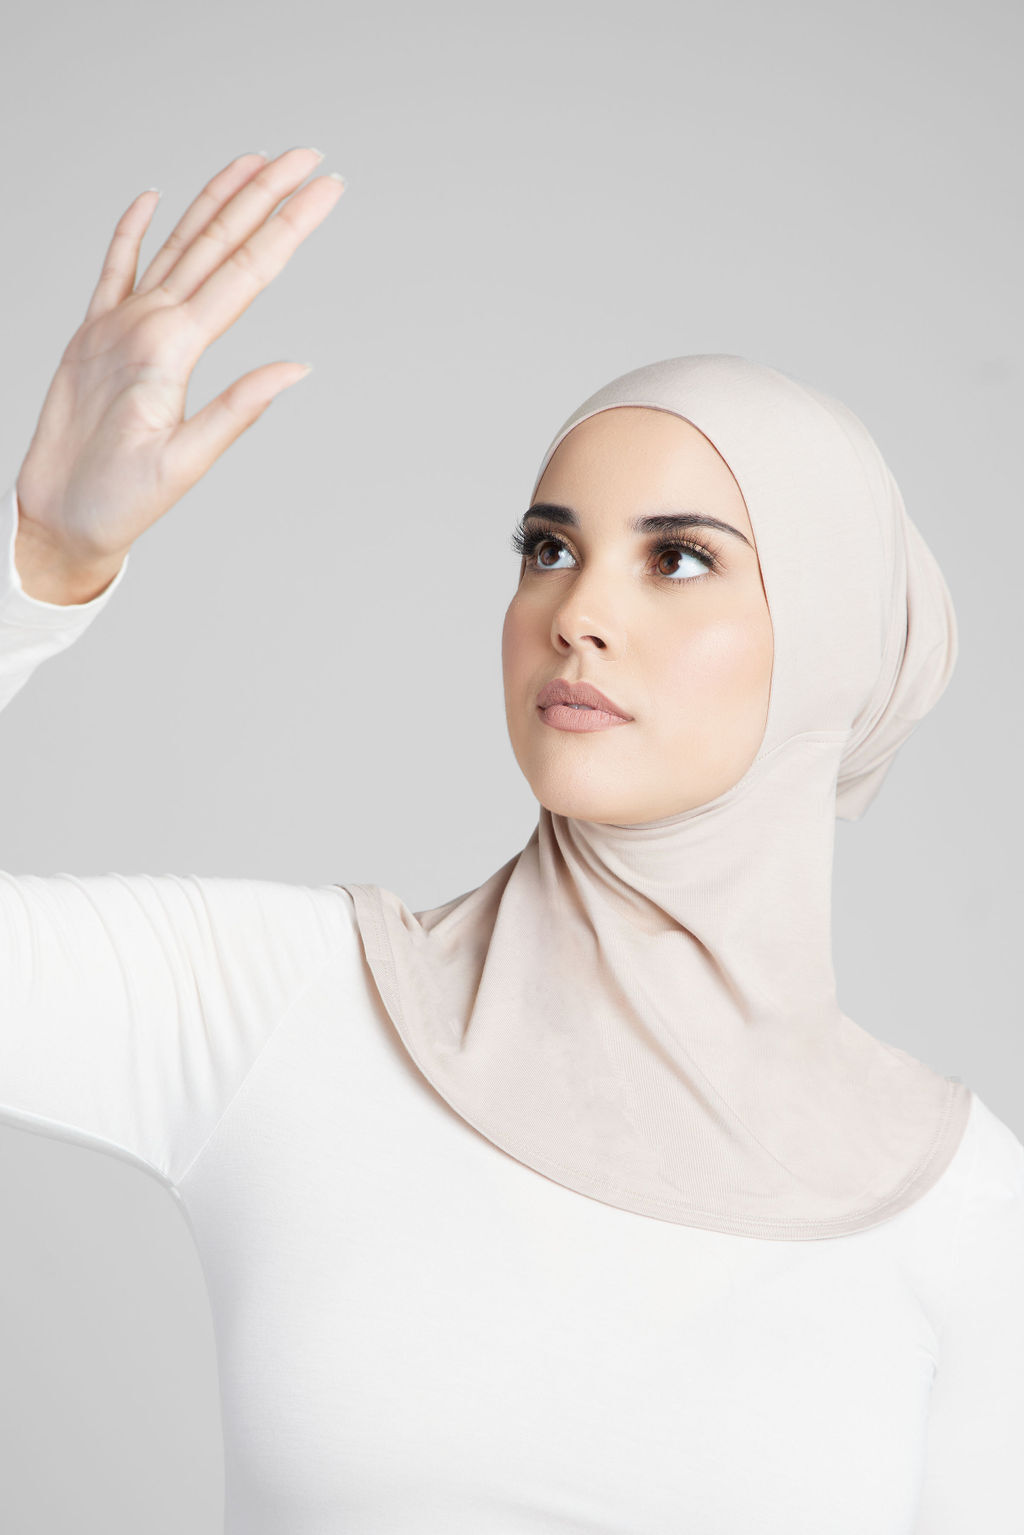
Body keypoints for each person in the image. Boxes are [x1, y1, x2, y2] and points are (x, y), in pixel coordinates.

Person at [1, 147, 1021, 1534]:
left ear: (835, 635)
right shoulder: (290, 1007)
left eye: (678, 558)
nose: (577, 613)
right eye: (550, 548)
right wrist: (39, 566)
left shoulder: (960, 1204)